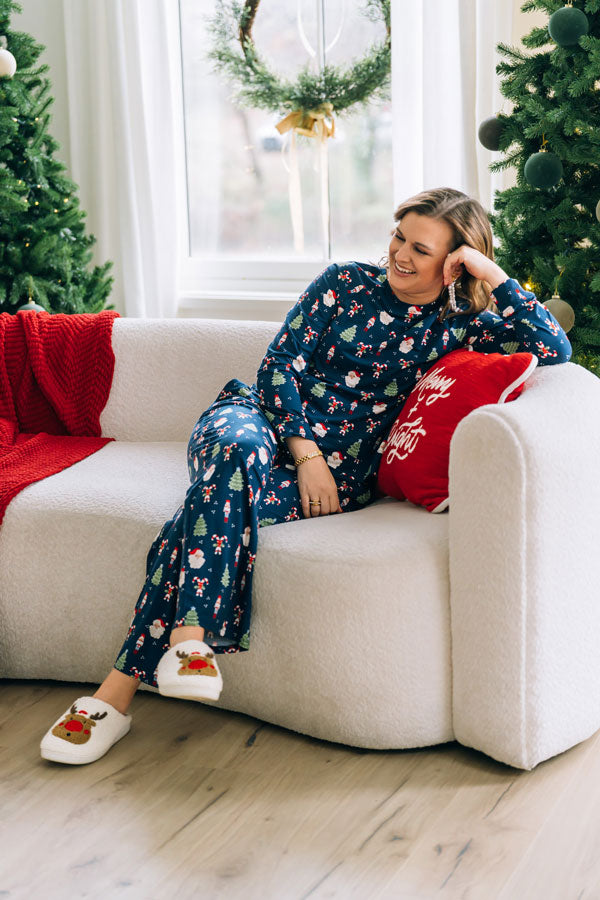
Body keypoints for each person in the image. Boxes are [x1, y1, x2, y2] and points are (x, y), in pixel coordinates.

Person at [39, 186, 571, 765]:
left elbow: (553, 348)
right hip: (258, 423)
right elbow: (278, 367)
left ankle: (113, 697)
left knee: (206, 509)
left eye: (421, 249)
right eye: (399, 236)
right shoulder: (343, 283)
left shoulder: (461, 325)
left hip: (343, 473)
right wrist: (307, 456)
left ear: (453, 263)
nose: (399, 254)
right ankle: (190, 642)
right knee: (235, 455)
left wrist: (489, 273)